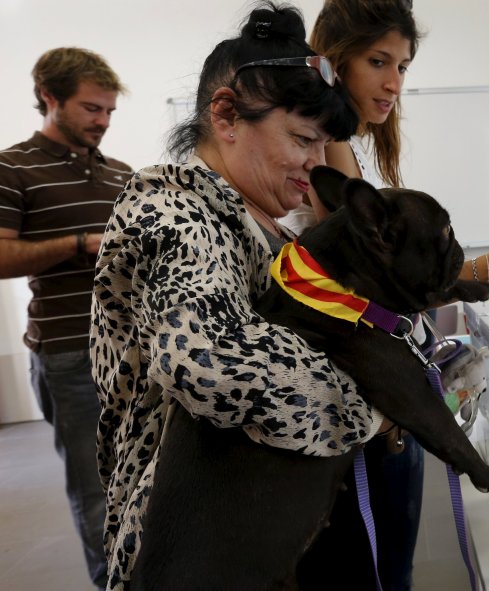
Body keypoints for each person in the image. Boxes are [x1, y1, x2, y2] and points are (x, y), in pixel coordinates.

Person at [283, 2, 489, 589]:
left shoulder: (345, 148)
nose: (394, 83)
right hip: (356, 422)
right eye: (378, 61)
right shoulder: (327, 154)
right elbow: (382, 297)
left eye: (402, 65)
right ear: (331, 62)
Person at [89, 4, 392, 589]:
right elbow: (211, 363)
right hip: (191, 545)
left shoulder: (262, 225)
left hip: (252, 528)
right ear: (226, 114)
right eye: (303, 139)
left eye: (322, 143)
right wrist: (371, 412)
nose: (313, 162)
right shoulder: (172, 212)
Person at [0, 47, 130, 589]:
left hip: (134, 352)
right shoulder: (11, 168)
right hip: (71, 354)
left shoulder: (121, 174)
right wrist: (79, 243)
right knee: (98, 494)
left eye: (108, 112)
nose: (101, 121)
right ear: (49, 99)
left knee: (143, 482)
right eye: (90, 109)